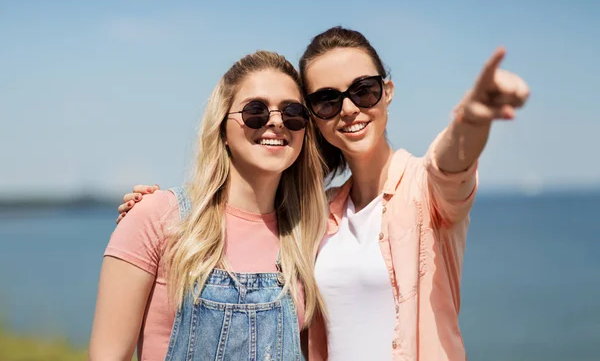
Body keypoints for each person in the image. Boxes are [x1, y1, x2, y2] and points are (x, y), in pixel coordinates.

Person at [116, 27, 530, 361]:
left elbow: (452, 162)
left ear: (387, 91)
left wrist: (473, 117)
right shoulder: (314, 215)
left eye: (363, 90)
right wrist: (155, 212)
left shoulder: (425, 191)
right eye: (327, 100)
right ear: (314, 117)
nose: (349, 108)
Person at [89, 50, 329, 361]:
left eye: (292, 112)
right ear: (223, 129)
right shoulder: (156, 217)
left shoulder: (306, 235)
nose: (275, 122)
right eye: (255, 110)